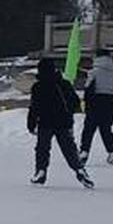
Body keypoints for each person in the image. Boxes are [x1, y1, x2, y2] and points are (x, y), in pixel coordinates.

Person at [28, 56, 92, 188]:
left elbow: (34, 107)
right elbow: (75, 102)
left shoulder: (38, 86)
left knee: (42, 148)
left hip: (45, 122)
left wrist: (31, 123)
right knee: (69, 148)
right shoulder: (64, 84)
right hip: (64, 121)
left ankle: (41, 171)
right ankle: (79, 169)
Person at [80, 49, 113, 165]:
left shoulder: (93, 73)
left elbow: (88, 90)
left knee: (88, 130)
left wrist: (86, 105)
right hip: (111, 105)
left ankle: (83, 153)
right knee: (106, 129)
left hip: (95, 105)